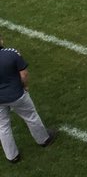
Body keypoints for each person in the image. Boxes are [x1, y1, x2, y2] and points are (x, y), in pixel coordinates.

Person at [0, 34, 56, 164]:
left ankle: (12, 156)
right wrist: (25, 86)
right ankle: (43, 139)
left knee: (2, 126)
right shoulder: (11, 53)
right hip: (16, 94)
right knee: (31, 116)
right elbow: (24, 74)